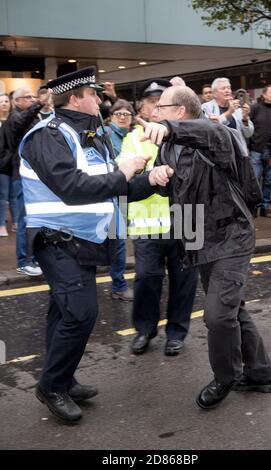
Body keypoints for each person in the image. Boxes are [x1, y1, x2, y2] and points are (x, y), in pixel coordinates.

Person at [19, 66, 171, 423]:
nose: (99, 98)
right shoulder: (48, 135)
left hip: (85, 240)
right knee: (80, 313)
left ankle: (64, 379)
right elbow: (71, 187)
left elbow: (114, 189)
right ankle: (52, 386)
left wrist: (151, 177)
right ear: (75, 98)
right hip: (56, 239)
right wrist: (123, 172)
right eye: (92, 93)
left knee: (64, 313)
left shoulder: (89, 135)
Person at [139, 85, 271, 410]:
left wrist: (168, 129)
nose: (156, 112)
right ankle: (260, 373)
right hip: (199, 241)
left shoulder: (216, 133)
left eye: (162, 108)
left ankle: (226, 377)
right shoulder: (168, 147)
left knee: (216, 316)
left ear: (180, 112)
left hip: (231, 235)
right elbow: (176, 191)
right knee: (232, 310)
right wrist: (156, 177)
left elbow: (205, 130)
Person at [119, 79, 198, 357]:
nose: (155, 109)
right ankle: (145, 330)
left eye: (160, 103)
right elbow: (124, 177)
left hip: (187, 221)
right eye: (151, 103)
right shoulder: (132, 138)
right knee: (146, 280)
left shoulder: (189, 134)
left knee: (184, 282)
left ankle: (176, 334)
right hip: (148, 225)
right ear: (143, 107)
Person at [5, 86, 50, 275]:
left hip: (33, 175)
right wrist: (40, 103)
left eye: (34, 97)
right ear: (17, 101)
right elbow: (21, 123)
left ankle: (34, 259)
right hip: (22, 175)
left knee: (35, 218)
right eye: (28, 97)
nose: (32, 99)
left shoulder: (33, 116)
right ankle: (24, 261)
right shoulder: (15, 117)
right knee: (25, 220)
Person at [105, 99, 136, 301]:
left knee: (118, 241)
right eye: (119, 114)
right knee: (114, 240)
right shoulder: (107, 134)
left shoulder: (135, 136)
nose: (123, 117)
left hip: (127, 193)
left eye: (127, 114)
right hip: (110, 191)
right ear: (112, 117)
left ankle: (118, 284)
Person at [249, 84, 271, 217]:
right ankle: (253, 208)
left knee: (268, 182)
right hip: (256, 150)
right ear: (264, 94)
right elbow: (248, 128)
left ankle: (265, 207)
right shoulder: (255, 108)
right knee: (255, 181)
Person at [201, 77, 254, 148]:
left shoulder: (237, 108)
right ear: (215, 94)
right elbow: (209, 131)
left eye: (229, 88)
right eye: (223, 88)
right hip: (218, 153)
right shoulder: (206, 107)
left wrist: (245, 119)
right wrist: (229, 112)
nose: (227, 91)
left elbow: (248, 134)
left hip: (238, 154)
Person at [0, 93, 17, 236]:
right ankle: (1, 225)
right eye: (1, 102)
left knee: (14, 195)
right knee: (3, 196)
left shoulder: (14, 119)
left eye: (6, 101)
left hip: (14, 164)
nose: (4, 104)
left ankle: (16, 222)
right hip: (2, 165)